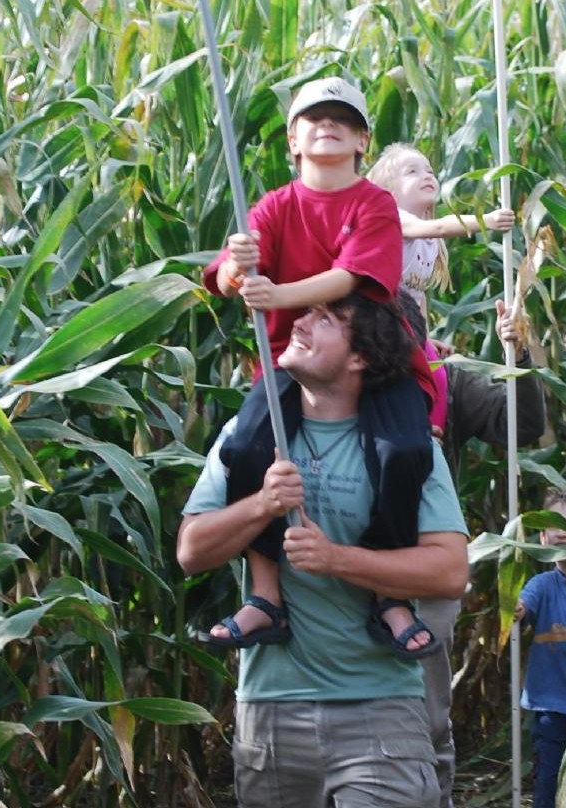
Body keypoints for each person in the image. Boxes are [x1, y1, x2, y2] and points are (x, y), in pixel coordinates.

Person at [177, 293, 469, 808]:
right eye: (306, 309)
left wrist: (336, 558)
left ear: (360, 357)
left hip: (380, 710)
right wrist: (263, 504)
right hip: (270, 712)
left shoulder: (409, 450)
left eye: (326, 318)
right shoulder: (246, 436)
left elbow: (449, 573)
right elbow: (191, 552)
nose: (302, 320)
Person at [201, 76, 438, 656]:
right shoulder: (276, 206)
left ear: (362, 140)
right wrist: (239, 269)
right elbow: (226, 277)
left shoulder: (374, 204)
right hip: (290, 361)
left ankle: (389, 593)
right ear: (292, 141)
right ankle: (265, 595)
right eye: (313, 118)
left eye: (341, 119)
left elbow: (353, 278)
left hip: (372, 362)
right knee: (248, 449)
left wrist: (276, 294)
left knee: (403, 450)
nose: (326, 125)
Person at [398, 288, 547, 808]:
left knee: (426, 714)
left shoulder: (447, 378)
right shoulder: (331, 378)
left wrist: (519, 357)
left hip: (426, 569)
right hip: (342, 572)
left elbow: (522, 426)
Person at [367, 142, 514, 432]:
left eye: (430, 171)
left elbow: (418, 296)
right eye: (412, 171)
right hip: (381, 325)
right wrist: (487, 222)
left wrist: (426, 338)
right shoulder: (394, 217)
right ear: (390, 192)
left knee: (437, 374)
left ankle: (432, 430)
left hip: (409, 327)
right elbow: (440, 226)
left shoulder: (430, 243)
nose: (426, 176)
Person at [514, 486, 566, 808]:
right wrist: (513, 609)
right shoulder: (542, 585)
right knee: (548, 785)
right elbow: (521, 607)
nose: (564, 533)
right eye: (555, 525)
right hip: (552, 708)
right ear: (543, 538)